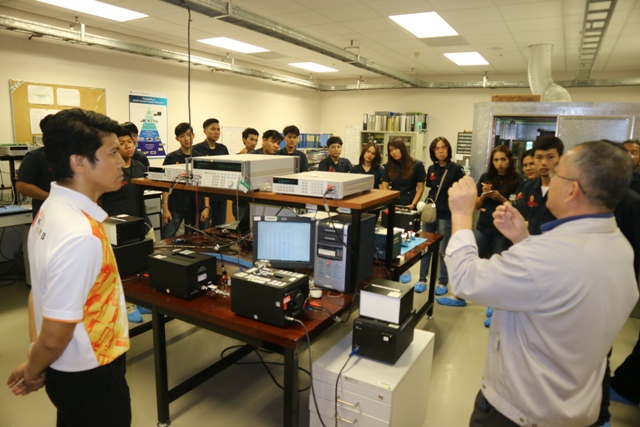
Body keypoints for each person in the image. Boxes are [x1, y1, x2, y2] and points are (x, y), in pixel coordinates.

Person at [444, 140, 638, 427]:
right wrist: (523, 239)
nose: (547, 174)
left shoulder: (550, 255)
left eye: (557, 172)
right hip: (575, 408)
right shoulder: (618, 246)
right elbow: (556, 286)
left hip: (519, 413)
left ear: (572, 190)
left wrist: (461, 214)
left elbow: (465, 279)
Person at [7, 108, 132, 426]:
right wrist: (33, 368)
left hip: (67, 370)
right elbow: (54, 336)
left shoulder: (51, 209)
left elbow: (38, 292)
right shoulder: (80, 235)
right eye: (113, 153)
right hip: (93, 373)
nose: (122, 162)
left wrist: (35, 354)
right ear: (79, 162)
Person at [101, 126, 152, 324]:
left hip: (141, 222)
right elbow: (100, 199)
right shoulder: (111, 169)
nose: (127, 146)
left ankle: (141, 300)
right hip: (118, 227)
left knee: (144, 262)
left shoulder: (139, 166)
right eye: (121, 143)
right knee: (123, 267)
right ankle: (127, 304)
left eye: (129, 142)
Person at [469, 145, 522, 323]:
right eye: (496, 160)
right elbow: (477, 205)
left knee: (500, 265)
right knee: (473, 258)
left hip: (503, 229)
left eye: (503, 159)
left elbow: (517, 209)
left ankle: (495, 304)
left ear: (510, 160)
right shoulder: (486, 177)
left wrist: (500, 197)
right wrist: (484, 195)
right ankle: (463, 295)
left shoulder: (517, 180)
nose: (500, 163)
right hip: (484, 225)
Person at [414, 136, 464, 295]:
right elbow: (431, 189)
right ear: (433, 152)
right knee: (425, 246)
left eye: (443, 147)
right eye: (437, 149)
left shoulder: (456, 169)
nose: (440, 151)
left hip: (446, 214)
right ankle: (422, 279)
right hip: (431, 213)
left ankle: (442, 282)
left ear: (448, 149)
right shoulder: (431, 169)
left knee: (443, 249)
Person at [161, 123, 207, 239]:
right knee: (167, 237)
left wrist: (207, 207)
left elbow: (205, 184)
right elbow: (165, 184)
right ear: (177, 138)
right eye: (182, 136)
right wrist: (165, 208)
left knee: (194, 239)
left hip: (196, 206)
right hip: (176, 206)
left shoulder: (200, 158)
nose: (186, 139)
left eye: (188, 135)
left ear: (193, 135)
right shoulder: (171, 157)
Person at [517, 136, 564, 235]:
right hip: (532, 241)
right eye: (539, 157)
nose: (544, 163)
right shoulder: (529, 186)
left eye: (550, 157)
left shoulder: (568, 188)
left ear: (560, 158)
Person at [192, 118, 229, 227]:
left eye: (218, 129)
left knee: (220, 227)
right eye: (213, 129)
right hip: (204, 196)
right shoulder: (196, 149)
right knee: (203, 229)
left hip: (221, 195)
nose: (216, 132)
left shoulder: (223, 149)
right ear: (205, 131)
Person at [380, 138, 425, 209]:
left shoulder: (417, 165)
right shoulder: (389, 165)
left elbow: (420, 188)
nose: (393, 152)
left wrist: (413, 204)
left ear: (403, 149)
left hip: (409, 202)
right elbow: (384, 185)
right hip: (393, 203)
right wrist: (390, 202)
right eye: (391, 150)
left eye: (396, 149)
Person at [16, 146, 55, 219]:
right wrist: (53, 198)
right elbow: (22, 186)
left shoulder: (71, 155)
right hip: (46, 212)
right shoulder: (35, 157)